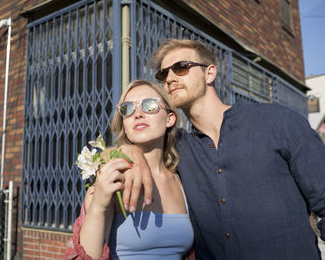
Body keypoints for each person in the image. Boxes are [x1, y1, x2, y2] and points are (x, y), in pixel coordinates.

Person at [119, 39, 325, 260]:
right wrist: (131, 152)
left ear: (210, 73)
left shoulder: (278, 122)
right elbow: (140, 144)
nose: (169, 79)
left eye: (181, 67)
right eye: (163, 74)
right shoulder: (180, 148)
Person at [65, 80, 194, 259]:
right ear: (124, 125)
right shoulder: (114, 176)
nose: (138, 114)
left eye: (150, 105)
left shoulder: (180, 179)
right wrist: (99, 204)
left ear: (170, 118)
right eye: (127, 108)